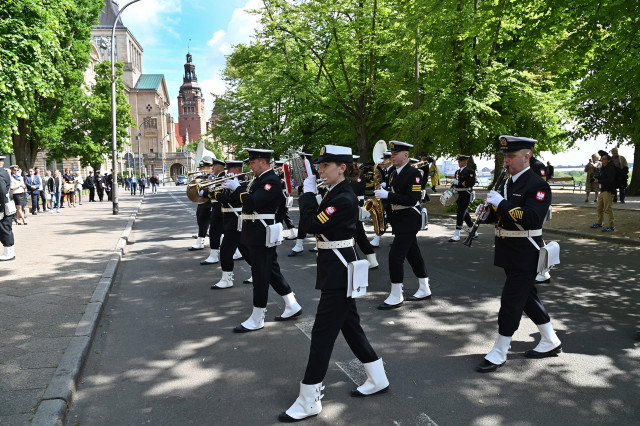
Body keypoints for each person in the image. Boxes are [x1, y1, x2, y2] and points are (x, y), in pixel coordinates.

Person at [279, 145, 389, 422]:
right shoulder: (335, 192)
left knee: (322, 335)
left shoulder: (343, 197)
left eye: (325, 166)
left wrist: (306, 195)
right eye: (319, 166)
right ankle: (377, 377)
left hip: (339, 271)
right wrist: (312, 194)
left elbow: (310, 224)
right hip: (336, 267)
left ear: (342, 167)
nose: (320, 170)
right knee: (350, 326)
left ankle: (309, 399)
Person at [475, 135, 561, 373]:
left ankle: (500, 351)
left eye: (511, 156)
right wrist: (485, 213)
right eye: (505, 156)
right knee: (528, 297)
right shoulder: (506, 182)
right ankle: (550, 340)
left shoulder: (538, 185)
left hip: (526, 251)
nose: (507, 160)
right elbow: (500, 215)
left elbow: (532, 217)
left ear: (527, 155)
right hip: (508, 250)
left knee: (511, 301)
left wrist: (501, 204)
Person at [222, 148, 302, 332]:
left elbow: (253, 203)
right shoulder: (258, 180)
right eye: (249, 162)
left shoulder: (270, 180)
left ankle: (257, 318)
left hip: (262, 234)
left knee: (260, 276)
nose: (249, 166)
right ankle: (292, 304)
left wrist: (237, 188)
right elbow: (245, 201)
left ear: (263, 162)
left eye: (252, 162)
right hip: (255, 232)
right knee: (271, 271)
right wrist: (233, 190)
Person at [374, 141, 431, 310]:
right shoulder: (393, 172)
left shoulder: (414, 173)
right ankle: (424, 287)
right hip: (399, 219)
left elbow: (412, 199)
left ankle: (396, 294)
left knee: (395, 256)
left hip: (409, 219)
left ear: (405, 155)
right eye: (391, 153)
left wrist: (388, 196)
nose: (391, 155)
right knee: (413, 254)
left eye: (395, 153)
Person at [207, 160, 252, 288]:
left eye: (229, 170)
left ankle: (227, 279)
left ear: (236, 170)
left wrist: (223, 192)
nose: (227, 172)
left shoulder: (245, 183)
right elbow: (221, 198)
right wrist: (216, 191)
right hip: (228, 219)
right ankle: (257, 272)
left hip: (237, 220)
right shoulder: (230, 182)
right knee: (245, 250)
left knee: (226, 251)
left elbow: (232, 200)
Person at [350, 155, 378, 269]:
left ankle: (354, 262)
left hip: (355, 206)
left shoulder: (358, 175)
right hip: (355, 206)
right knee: (360, 235)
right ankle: (372, 260)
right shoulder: (352, 175)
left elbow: (354, 189)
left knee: (352, 236)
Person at [200, 158, 226, 263]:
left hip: (219, 208)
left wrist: (205, 193)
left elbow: (215, 193)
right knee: (223, 232)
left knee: (214, 232)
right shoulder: (217, 177)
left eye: (214, 166)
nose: (213, 168)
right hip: (217, 207)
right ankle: (237, 252)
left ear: (220, 167)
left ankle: (214, 255)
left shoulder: (222, 177)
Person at [449, 154, 476, 242]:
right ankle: (473, 231)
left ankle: (457, 234)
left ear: (465, 161)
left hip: (465, 194)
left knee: (460, 213)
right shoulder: (457, 172)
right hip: (458, 194)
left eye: (461, 161)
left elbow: (471, 183)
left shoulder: (469, 172)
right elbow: (455, 183)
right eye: (458, 161)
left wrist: (458, 182)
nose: (459, 163)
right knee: (465, 214)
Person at [189, 158, 214, 251]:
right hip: (201, 203)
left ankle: (203, 242)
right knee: (200, 220)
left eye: (204, 167)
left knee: (210, 223)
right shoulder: (200, 178)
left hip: (210, 204)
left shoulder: (213, 177)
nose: (202, 169)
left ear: (210, 167)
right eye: (201, 168)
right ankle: (201, 241)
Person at [590, 153, 616, 232]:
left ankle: (611, 226)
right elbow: (602, 177)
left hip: (608, 190)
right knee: (599, 208)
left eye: (604, 159)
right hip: (603, 190)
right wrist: (595, 178)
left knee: (607, 208)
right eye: (602, 159)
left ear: (608, 160)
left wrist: (599, 180)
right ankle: (599, 223)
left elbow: (610, 180)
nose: (602, 160)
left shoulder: (611, 168)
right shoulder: (604, 168)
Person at [0, 154, 16, 261]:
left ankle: (9, 252)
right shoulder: (4, 173)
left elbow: (1, 191)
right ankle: (10, 251)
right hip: (6, 203)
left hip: (3, 205)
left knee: (4, 228)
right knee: (6, 227)